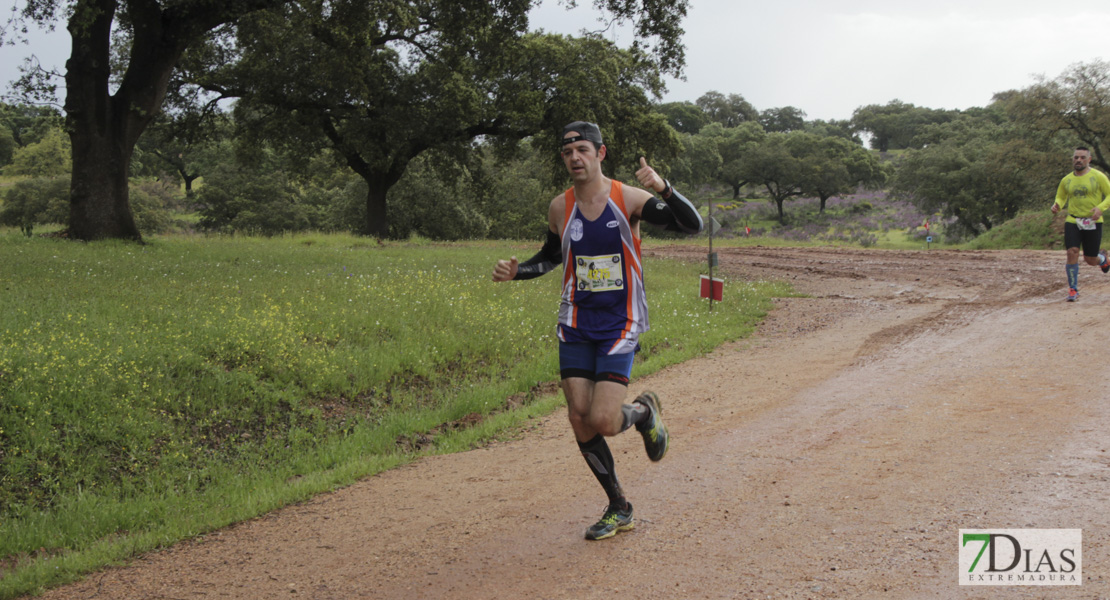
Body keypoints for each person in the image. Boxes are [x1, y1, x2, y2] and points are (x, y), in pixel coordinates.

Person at [491, 121, 703, 540]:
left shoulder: (628, 199)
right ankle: (618, 506)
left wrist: (663, 188)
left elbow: (691, 225)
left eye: (583, 150)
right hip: (575, 323)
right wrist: (518, 273)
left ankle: (643, 413)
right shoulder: (559, 207)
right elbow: (550, 257)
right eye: (567, 152)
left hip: (620, 323)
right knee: (578, 417)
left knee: (604, 420)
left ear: (600, 154)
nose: (575, 158)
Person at [1051, 146, 1110, 301]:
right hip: (1073, 220)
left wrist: (1100, 208)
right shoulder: (1067, 179)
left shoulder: (1098, 176)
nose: (1078, 160)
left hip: (1093, 221)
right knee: (1072, 251)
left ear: (1089, 159)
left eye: (1082, 157)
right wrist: (1057, 205)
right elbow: (1061, 196)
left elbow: (1109, 195)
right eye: (1076, 157)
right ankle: (1073, 290)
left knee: (1090, 260)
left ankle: (1102, 259)